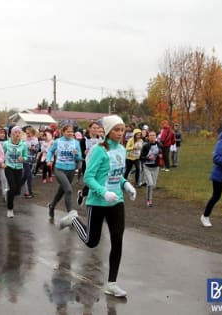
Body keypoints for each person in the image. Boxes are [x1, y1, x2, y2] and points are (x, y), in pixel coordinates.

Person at [58, 115, 137, 298]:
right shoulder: (98, 150)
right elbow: (88, 177)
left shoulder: (122, 150)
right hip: (98, 201)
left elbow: (117, 175)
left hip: (116, 201)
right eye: (116, 129)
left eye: (122, 129)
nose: (120, 133)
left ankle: (112, 284)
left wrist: (126, 185)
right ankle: (73, 219)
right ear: (108, 131)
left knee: (117, 240)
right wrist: (103, 192)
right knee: (91, 241)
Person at [46, 124, 82, 219]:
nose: (70, 133)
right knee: (69, 190)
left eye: (71, 131)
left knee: (62, 191)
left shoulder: (76, 143)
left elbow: (79, 158)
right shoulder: (58, 141)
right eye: (68, 131)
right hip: (59, 169)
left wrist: (77, 154)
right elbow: (50, 151)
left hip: (71, 170)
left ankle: (52, 205)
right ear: (63, 132)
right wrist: (48, 160)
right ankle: (70, 215)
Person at [2, 126, 27, 218]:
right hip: (9, 167)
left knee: (17, 191)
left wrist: (23, 159)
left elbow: (26, 156)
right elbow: (1, 154)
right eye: (15, 132)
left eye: (19, 133)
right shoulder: (6, 144)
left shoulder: (23, 145)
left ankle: (8, 193)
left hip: (19, 168)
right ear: (11, 134)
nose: (17, 134)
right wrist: (2, 163)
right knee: (12, 187)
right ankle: (10, 209)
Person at [139, 130, 161, 207]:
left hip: (156, 167)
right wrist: (148, 158)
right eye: (151, 135)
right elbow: (140, 157)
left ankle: (149, 197)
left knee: (153, 185)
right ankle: (149, 200)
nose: (152, 137)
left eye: (154, 135)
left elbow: (161, 153)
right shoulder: (145, 146)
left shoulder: (159, 144)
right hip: (147, 167)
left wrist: (160, 156)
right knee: (150, 184)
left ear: (156, 137)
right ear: (148, 137)